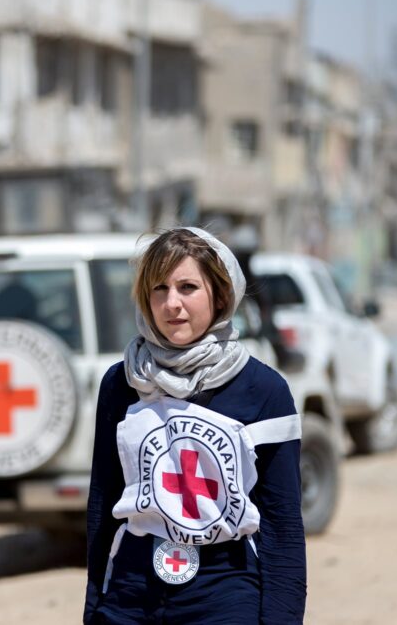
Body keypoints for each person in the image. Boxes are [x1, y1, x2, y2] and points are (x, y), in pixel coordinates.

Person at [84, 227, 306, 624]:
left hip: (225, 590)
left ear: (220, 296)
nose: (172, 304)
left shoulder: (265, 391)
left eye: (188, 287)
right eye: (159, 289)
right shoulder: (121, 384)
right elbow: (102, 510)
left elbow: (282, 527)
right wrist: (94, 609)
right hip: (130, 592)